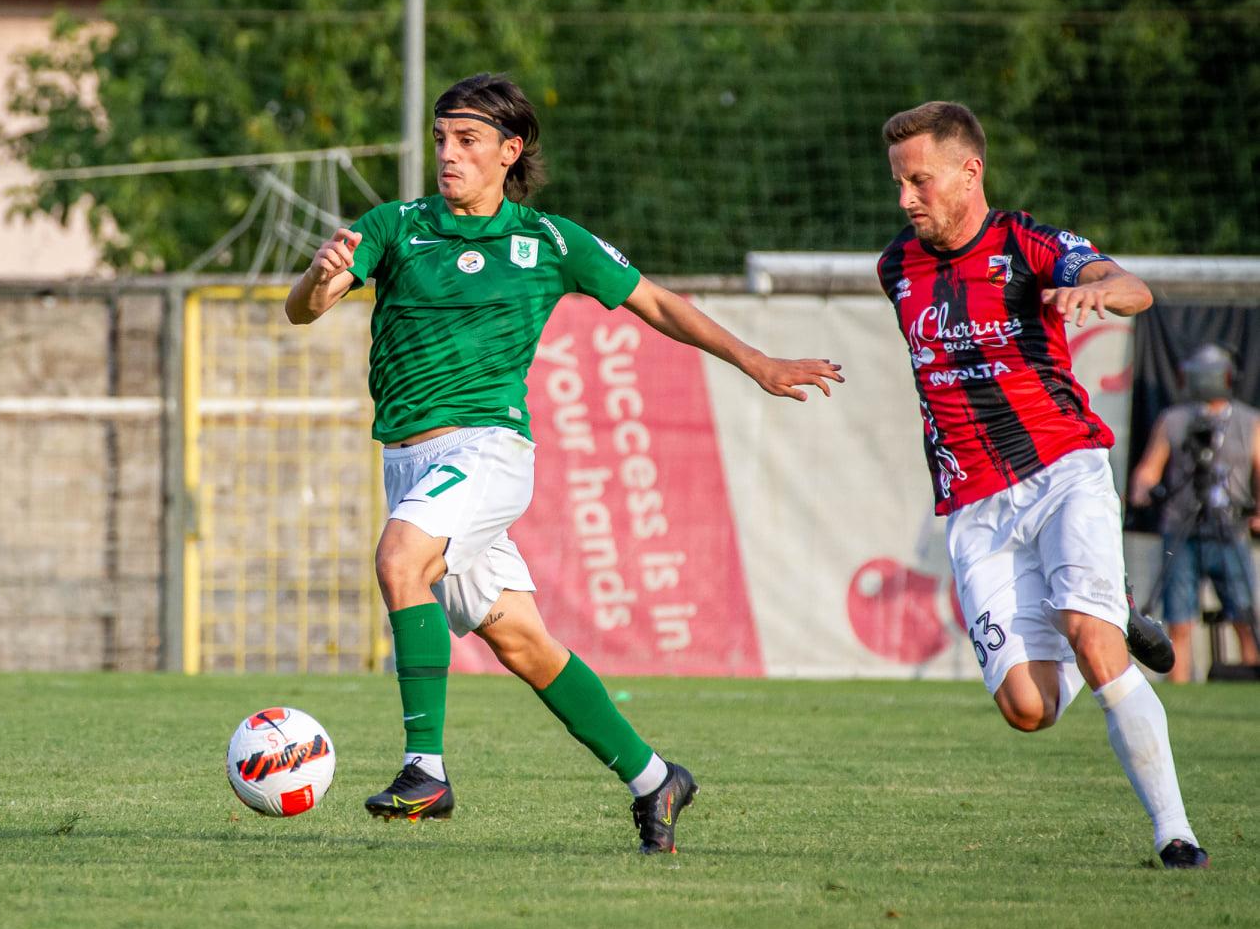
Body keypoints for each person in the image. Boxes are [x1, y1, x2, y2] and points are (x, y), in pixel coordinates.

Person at [286, 73, 844, 853]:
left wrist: (757, 362)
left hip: (487, 449)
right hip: (409, 462)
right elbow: (307, 307)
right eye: (442, 138)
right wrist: (317, 279)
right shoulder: (395, 226)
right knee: (521, 642)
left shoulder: (549, 242)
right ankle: (656, 780)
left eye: (468, 141)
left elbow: (657, 303)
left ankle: (426, 771)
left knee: (399, 559)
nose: (449, 154)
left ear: (510, 152)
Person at [877, 100, 1206, 869]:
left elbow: (1130, 287)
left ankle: (1176, 833)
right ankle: (1112, 609)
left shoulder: (1026, 242)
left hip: (1061, 470)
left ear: (970, 171)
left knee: (1090, 643)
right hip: (973, 504)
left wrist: (1093, 292)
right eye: (898, 183)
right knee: (1029, 710)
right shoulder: (896, 267)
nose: (906, 199)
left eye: (919, 181)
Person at [1128, 343, 1260, 680]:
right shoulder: (1174, 419)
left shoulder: (1249, 421)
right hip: (1181, 528)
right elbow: (1150, 468)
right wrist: (1141, 489)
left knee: (1244, 617)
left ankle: (1250, 677)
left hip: (1229, 528)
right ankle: (1179, 684)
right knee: (1179, 620)